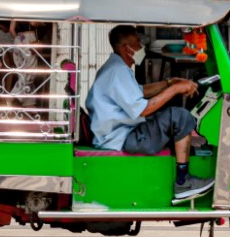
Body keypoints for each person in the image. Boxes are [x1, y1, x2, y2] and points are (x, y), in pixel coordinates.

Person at [86, 24, 215, 200]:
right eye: (137, 43)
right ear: (126, 48)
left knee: (169, 116)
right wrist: (176, 89)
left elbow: (140, 91)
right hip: (123, 137)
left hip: (120, 132)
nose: (141, 47)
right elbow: (143, 109)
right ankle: (183, 181)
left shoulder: (117, 67)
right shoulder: (117, 71)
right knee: (180, 116)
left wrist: (169, 83)